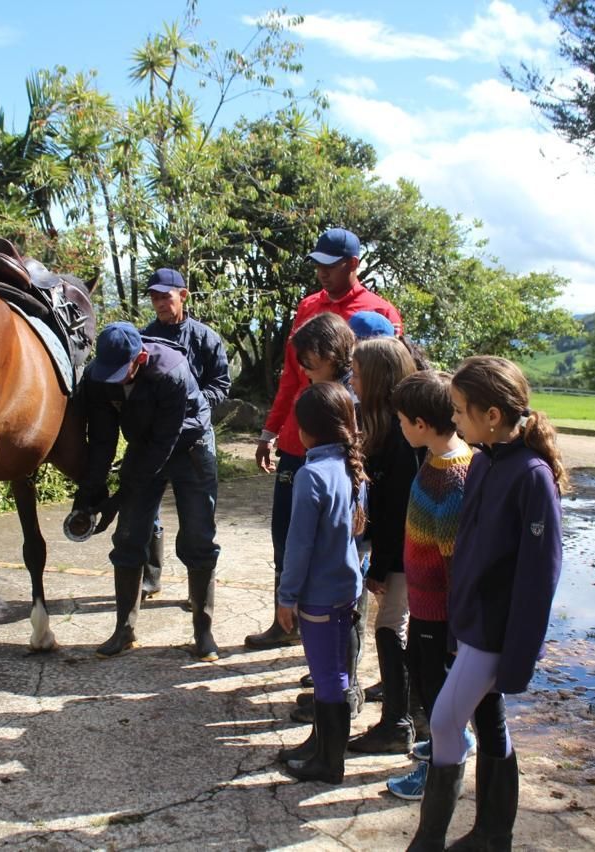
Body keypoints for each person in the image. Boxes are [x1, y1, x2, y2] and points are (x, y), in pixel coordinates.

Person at [409, 356, 565, 852]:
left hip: (496, 634)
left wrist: (520, 654)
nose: (453, 420)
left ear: (492, 414)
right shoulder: (482, 462)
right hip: (471, 625)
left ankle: (431, 840)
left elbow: (540, 576)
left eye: (459, 410)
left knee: (444, 721)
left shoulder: (531, 476)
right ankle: (493, 834)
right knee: (488, 723)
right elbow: (470, 552)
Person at [247, 227, 403, 651]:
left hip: (350, 451)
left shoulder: (379, 312)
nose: (321, 273)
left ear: (353, 264)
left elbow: (390, 379)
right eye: (317, 264)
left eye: (330, 265)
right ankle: (286, 619)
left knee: (347, 546)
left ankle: (339, 637)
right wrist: (271, 430)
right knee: (288, 535)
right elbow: (289, 376)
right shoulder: (307, 307)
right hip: (299, 442)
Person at [71, 322, 221, 661]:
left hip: (189, 445)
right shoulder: (100, 376)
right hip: (144, 445)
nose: (116, 380)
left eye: (123, 372)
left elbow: (162, 446)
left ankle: (203, 631)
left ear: (140, 357)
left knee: (198, 536)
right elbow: (102, 440)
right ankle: (124, 630)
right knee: (128, 537)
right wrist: (90, 494)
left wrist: (118, 499)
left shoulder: (171, 370)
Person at [384, 371, 475, 801]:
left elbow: (456, 561)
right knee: (424, 681)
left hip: (438, 613)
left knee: (436, 695)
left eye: (402, 421)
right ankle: (450, 743)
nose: (399, 428)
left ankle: (440, 769)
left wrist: (456, 631)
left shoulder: (453, 478)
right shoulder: (436, 460)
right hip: (422, 604)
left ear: (421, 424)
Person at [275, 381, 368, 785]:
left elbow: (299, 546)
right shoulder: (350, 467)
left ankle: (330, 763)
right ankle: (323, 751)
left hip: (318, 595)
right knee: (335, 674)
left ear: (305, 430)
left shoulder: (312, 475)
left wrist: (286, 596)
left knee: (329, 678)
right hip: (347, 587)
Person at [346, 337, 422, 756]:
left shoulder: (399, 434)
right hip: (396, 553)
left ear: (377, 379)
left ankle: (398, 723)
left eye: (356, 374)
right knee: (391, 627)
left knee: (392, 629)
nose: (351, 381)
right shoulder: (385, 425)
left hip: (405, 557)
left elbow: (399, 511)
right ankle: (404, 714)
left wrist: (380, 567)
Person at [139, 268, 231, 600]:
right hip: (154, 440)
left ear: (184, 295)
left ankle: (199, 587)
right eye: (154, 298)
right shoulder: (143, 338)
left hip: (196, 442)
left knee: (198, 519)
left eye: (165, 296)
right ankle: (151, 578)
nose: (160, 304)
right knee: (145, 514)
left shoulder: (206, 338)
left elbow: (221, 383)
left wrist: (192, 407)